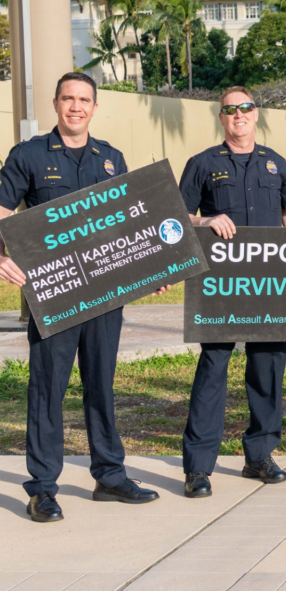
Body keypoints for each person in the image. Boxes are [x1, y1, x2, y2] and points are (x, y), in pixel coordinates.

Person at [177, 87, 286, 498]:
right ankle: (198, 468)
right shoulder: (203, 164)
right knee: (213, 370)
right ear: (221, 117)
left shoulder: (275, 164)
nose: (238, 115)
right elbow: (179, 218)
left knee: (268, 369)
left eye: (245, 108)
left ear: (256, 113)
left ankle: (259, 455)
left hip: (271, 286)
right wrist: (205, 222)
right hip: (222, 287)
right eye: (230, 110)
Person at [0, 73, 160, 522]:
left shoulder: (111, 159)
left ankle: (109, 476)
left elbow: (131, 225)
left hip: (106, 294)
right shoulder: (29, 155)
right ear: (56, 103)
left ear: (94, 106)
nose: (76, 106)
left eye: (84, 100)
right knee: (47, 389)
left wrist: (153, 269)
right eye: (68, 98)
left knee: (100, 385)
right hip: (55, 294)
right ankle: (43, 488)